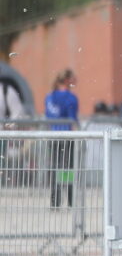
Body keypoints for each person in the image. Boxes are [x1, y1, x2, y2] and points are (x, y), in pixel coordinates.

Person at [44, 69, 79, 208]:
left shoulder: (49, 97)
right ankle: (70, 199)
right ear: (67, 80)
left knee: (54, 167)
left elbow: (48, 116)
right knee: (68, 168)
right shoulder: (70, 98)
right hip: (67, 136)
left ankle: (55, 201)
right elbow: (72, 119)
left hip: (53, 136)